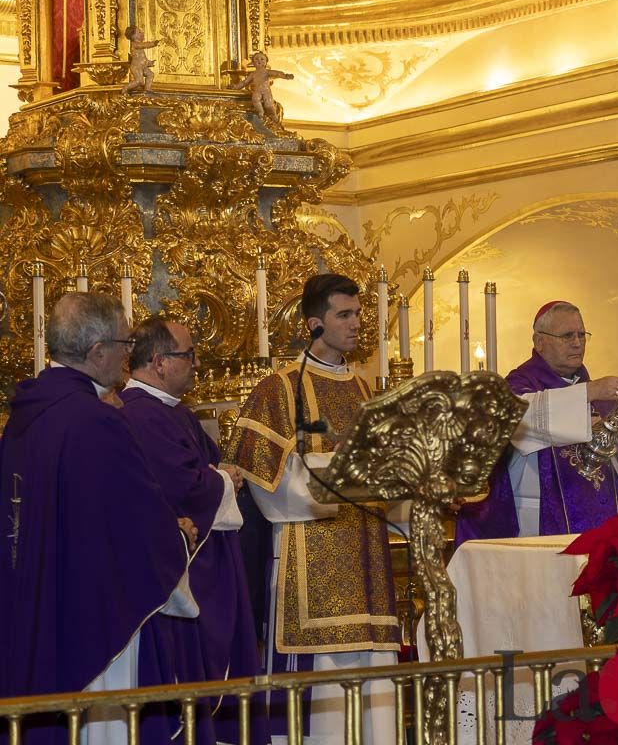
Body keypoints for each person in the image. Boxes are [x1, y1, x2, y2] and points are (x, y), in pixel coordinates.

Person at [0, 293, 196, 745]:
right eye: (125, 344)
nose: (130, 356)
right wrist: (178, 535)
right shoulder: (95, 421)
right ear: (96, 352)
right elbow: (137, 524)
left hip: (37, 596)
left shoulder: (25, 418)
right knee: (103, 723)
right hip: (94, 613)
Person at [229, 273, 400, 745]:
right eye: (344, 314)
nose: (356, 324)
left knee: (374, 692)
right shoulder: (278, 389)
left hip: (368, 564)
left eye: (359, 313)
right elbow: (270, 490)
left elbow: (387, 479)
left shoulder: (366, 390)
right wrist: (350, 473)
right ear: (314, 324)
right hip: (311, 565)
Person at [120, 317, 266, 745]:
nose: (197, 363)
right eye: (188, 354)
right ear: (159, 361)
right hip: (187, 571)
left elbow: (208, 469)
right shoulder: (142, 414)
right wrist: (224, 479)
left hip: (213, 561)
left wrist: (220, 475)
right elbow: (184, 485)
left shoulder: (172, 412)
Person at [456, 301, 618, 541]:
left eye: (582, 335)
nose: (577, 343)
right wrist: (588, 394)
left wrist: (611, 434)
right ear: (539, 342)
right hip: (542, 526)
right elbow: (518, 422)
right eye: (567, 335)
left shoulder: (600, 395)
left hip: (603, 528)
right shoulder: (520, 384)